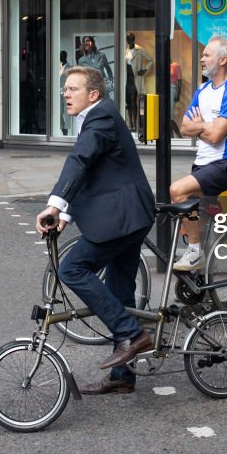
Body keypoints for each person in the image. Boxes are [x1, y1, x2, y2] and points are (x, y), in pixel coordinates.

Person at [35, 66, 155, 395]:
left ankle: (131, 333)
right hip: (127, 215)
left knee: (73, 268)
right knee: (120, 291)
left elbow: (80, 160)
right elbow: (93, 173)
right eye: (65, 89)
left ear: (93, 94)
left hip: (124, 216)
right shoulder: (96, 118)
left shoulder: (100, 116)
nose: (65, 93)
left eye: (73, 88)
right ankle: (122, 376)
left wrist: (54, 205)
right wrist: (67, 215)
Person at [169, 36, 227, 272]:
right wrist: (207, 126)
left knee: (177, 191)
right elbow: (184, 128)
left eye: (207, 54)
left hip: (226, 165)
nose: (202, 58)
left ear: (222, 60)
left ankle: (194, 254)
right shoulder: (202, 90)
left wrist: (201, 126)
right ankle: (205, 281)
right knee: (201, 221)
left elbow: (216, 137)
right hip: (203, 164)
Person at [125, 33, 152, 131]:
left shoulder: (140, 50)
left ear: (134, 39)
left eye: (131, 39)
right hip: (127, 79)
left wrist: (144, 70)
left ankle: (135, 125)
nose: (129, 41)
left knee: (133, 101)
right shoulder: (126, 51)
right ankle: (130, 124)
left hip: (135, 78)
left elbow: (150, 60)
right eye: (128, 39)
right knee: (128, 102)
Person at [77, 36, 114, 102]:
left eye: (88, 41)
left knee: (112, 103)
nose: (86, 43)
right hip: (93, 88)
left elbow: (108, 68)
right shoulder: (81, 61)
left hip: (106, 85)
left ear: (92, 43)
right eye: (84, 42)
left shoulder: (101, 55)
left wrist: (111, 80)